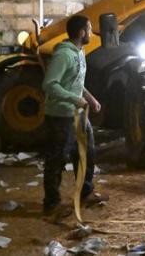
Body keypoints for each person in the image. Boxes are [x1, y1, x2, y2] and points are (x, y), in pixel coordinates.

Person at [42, 14, 106, 218]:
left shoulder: (79, 52)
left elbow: (76, 82)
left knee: (87, 154)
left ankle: (85, 192)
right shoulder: (64, 55)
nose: (91, 32)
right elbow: (50, 84)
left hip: (78, 114)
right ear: (81, 33)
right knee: (56, 160)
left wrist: (90, 98)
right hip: (60, 116)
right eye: (89, 28)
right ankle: (51, 204)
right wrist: (75, 99)